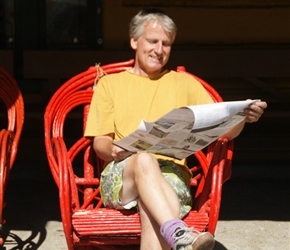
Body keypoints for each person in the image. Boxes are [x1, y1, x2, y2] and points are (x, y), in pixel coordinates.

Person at [85, 8, 267, 250]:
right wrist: (115, 149)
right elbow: (100, 144)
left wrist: (243, 117)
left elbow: (223, 131)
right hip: (122, 177)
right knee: (144, 159)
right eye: (152, 41)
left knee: (152, 209)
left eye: (166, 44)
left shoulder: (185, 83)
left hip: (171, 179)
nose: (159, 50)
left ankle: (177, 233)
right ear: (134, 41)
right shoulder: (110, 84)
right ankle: (178, 232)